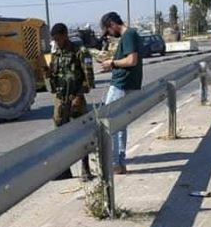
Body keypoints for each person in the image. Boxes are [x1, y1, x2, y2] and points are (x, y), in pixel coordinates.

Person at [48, 23, 95, 181]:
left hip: (76, 98)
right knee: (61, 135)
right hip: (60, 99)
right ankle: (65, 169)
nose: (57, 43)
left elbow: (89, 79)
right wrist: (47, 74)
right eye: (54, 40)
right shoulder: (56, 54)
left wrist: (79, 96)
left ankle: (85, 169)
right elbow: (53, 77)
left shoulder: (80, 52)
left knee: (81, 133)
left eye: (59, 39)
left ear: (65, 35)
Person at [99, 11, 143, 174]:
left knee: (109, 123)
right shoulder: (131, 35)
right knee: (119, 124)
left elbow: (132, 60)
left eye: (108, 31)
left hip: (121, 85)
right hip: (125, 84)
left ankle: (115, 162)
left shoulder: (128, 35)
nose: (110, 35)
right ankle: (118, 163)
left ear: (112, 24)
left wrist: (112, 63)